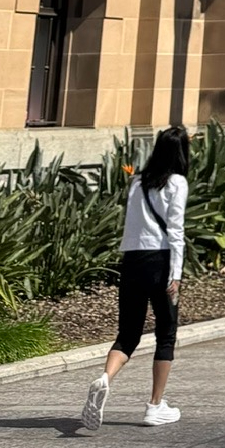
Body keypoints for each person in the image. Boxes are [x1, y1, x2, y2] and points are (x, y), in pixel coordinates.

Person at [81, 124, 189, 431]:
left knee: (128, 333)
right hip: (161, 259)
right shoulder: (177, 183)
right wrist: (176, 274)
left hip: (131, 260)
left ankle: (105, 378)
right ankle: (155, 405)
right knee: (166, 333)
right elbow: (176, 230)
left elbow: (130, 225)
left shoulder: (137, 181)